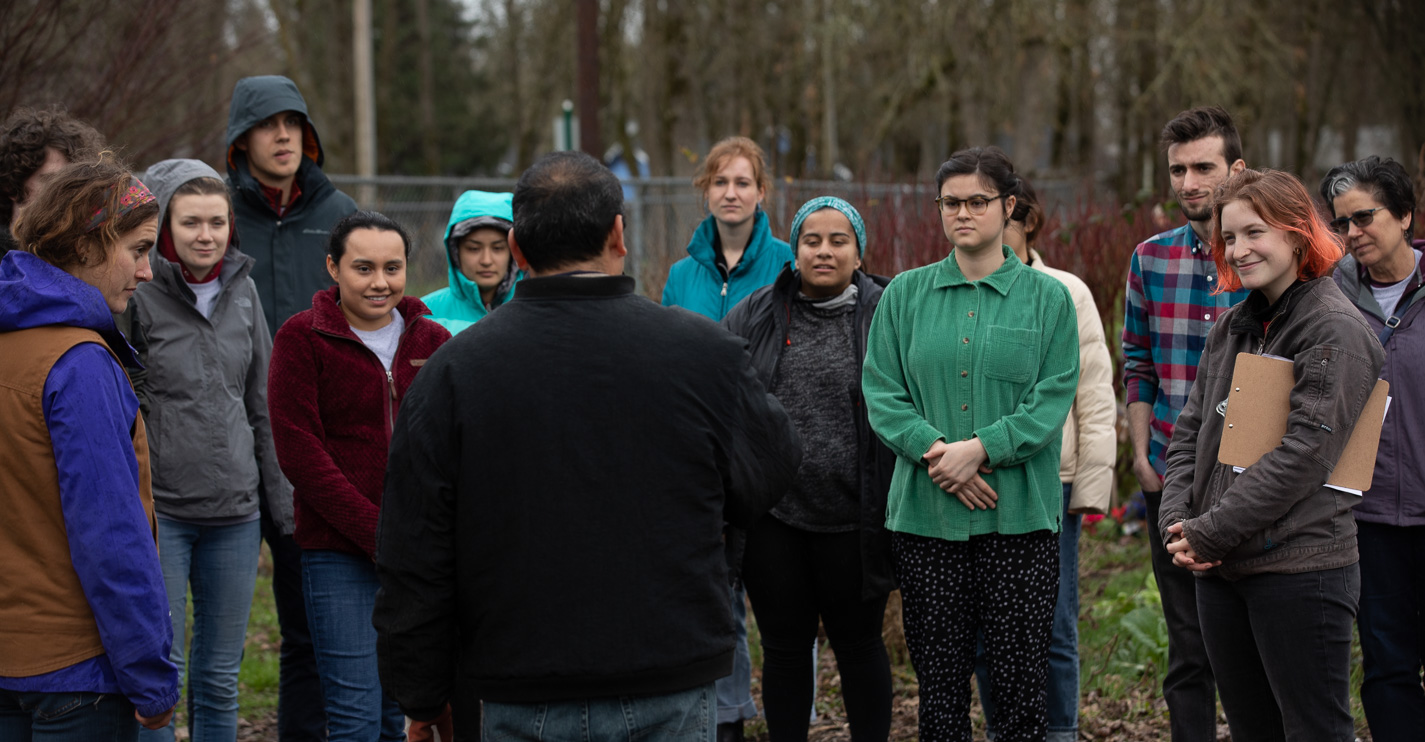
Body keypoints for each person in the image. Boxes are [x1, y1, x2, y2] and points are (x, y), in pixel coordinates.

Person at [372, 151, 802, 742]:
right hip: (668, 670)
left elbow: (413, 547)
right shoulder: (703, 356)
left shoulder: (453, 372)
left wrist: (420, 693)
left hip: (520, 682)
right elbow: (772, 468)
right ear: (618, 235)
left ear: (517, 249)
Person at [1158, 168, 1383, 741]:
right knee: (1252, 730)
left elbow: (1306, 454)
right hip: (1222, 570)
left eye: (1254, 232)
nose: (1239, 249)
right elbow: (1190, 432)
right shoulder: (1235, 325)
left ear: (1296, 232)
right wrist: (1179, 522)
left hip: (1299, 571)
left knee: (1313, 730)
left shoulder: (1333, 329)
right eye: (1229, 237)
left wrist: (1210, 531)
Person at [863, 146, 1079, 742]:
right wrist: (940, 453)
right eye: (950, 203)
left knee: (1017, 700)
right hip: (927, 522)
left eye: (978, 201)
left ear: (1008, 206)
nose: (963, 213)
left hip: (1020, 524)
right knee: (939, 697)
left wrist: (981, 448)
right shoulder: (904, 296)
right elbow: (882, 390)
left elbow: (1053, 397)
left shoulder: (1048, 299)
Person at [0, 157, 179, 738]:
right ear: (85, 246)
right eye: (138, 249)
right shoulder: (79, 364)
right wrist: (150, 676)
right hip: (76, 675)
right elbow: (110, 534)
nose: (148, 272)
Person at [268, 211, 450, 742]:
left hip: (418, 554)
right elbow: (300, 451)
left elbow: (447, 445)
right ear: (333, 267)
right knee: (353, 715)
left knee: (404, 708)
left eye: (392, 268)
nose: (380, 283)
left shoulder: (433, 341)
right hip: (337, 553)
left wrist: (420, 537)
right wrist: (377, 533)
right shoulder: (302, 338)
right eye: (363, 268)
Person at [128, 159, 293, 742]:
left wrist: (282, 504)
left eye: (217, 222)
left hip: (235, 515)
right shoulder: (138, 296)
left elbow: (263, 402)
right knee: (160, 676)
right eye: (191, 221)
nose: (206, 235)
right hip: (163, 514)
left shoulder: (243, 291)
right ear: (166, 226)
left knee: (221, 678)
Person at [721, 196, 895, 741]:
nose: (824, 250)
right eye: (811, 240)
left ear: (859, 253)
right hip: (775, 519)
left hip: (857, 519)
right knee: (785, 650)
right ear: (793, 251)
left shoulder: (890, 311)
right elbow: (721, 399)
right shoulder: (753, 314)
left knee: (861, 647)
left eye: (838, 240)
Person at [226, 73, 358, 741]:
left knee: (314, 622)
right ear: (238, 139)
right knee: (219, 633)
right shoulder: (216, 219)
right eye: (266, 124)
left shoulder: (342, 217)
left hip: (315, 446)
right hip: (226, 447)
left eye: (293, 122)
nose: (282, 136)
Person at [660, 135, 794, 740]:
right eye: (720, 182)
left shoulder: (790, 262)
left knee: (784, 606)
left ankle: (794, 714)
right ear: (706, 192)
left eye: (743, 182)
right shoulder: (681, 275)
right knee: (718, 596)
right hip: (701, 455)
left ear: (761, 193)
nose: (731, 193)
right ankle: (725, 718)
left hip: (769, 449)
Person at [1121, 105, 1248, 741]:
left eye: (1204, 166)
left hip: (1256, 482)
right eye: (1178, 169)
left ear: (1237, 169)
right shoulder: (1149, 260)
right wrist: (1142, 458)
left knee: (1257, 646)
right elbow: (1138, 364)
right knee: (1187, 645)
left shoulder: (1268, 260)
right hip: (1173, 476)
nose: (1189, 181)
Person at [974, 179, 1116, 742]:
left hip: (1049, 481)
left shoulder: (1066, 291)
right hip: (977, 480)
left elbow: (1095, 393)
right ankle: (1003, 730)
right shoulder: (962, 288)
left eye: (998, 215)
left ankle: (1059, 732)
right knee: (987, 624)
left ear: (1024, 219)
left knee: (1052, 623)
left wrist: (1092, 483)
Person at [1320, 156, 1425, 742]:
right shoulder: (1327, 302)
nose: (1353, 232)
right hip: (1369, 516)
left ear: (1405, 214)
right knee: (1387, 667)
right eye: (1342, 223)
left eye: (1365, 216)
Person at [0, 106, 106, 257]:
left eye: (73, 182)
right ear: (10, 187)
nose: (65, 193)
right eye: (51, 181)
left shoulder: (83, 256)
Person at [421, 189, 522, 334]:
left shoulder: (535, 311)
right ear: (455, 251)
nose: (486, 260)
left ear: (513, 252)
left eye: (498, 248)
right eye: (474, 248)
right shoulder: (424, 313)